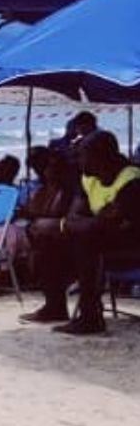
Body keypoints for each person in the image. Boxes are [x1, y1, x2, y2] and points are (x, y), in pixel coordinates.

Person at [21, 131, 140, 334]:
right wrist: (75, 224)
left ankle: (91, 317)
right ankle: (55, 306)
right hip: (102, 239)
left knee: (86, 239)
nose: (79, 160)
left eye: (84, 155)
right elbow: (77, 216)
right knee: (48, 237)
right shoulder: (89, 178)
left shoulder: (132, 181)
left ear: (101, 156)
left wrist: (81, 224)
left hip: (132, 246)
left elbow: (107, 224)